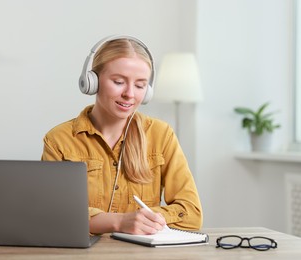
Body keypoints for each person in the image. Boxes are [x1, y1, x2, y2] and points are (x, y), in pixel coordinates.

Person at [41, 35, 203, 235]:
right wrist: (119, 222)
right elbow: (52, 214)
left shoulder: (162, 135)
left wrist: (144, 220)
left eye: (140, 85)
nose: (130, 94)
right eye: (119, 82)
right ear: (92, 81)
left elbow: (191, 213)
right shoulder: (59, 140)